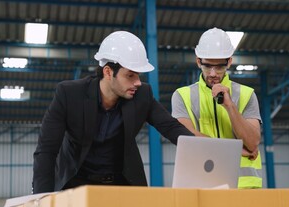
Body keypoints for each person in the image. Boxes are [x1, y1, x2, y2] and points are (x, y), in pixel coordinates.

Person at [33, 31, 193, 194]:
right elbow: (46, 150)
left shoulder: (142, 95)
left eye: (138, 75)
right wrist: (41, 198)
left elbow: (171, 127)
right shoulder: (69, 94)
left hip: (120, 183)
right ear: (108, 72)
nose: (137, 82)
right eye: (130, 75)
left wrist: (199, 149)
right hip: (75, 183)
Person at [171, 27, 262, 189]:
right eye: (207, 66)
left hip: (244, 187)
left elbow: (252, 143)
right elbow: (186, 138)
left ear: (229, 62)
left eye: (219, 67)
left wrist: (230, 106)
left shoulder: (246, 95)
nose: (213, 73)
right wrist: (234, 150)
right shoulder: (182, 96)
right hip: (200, 184)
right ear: (198, 61)